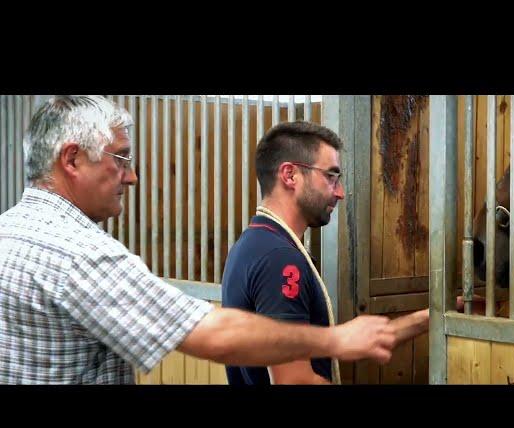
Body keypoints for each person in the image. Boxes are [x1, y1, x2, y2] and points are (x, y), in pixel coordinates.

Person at [0, 96, 397, 384]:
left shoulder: (9, 230)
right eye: (121, 159)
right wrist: (335, 339)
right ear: (71, 160)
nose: (132, 176)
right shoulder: (79, 254)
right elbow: (212, 334)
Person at [222, 121, 433, 385]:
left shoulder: (254, 243)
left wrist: (429, 317)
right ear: (290, 175)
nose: (341, 192)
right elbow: (294, 380)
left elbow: (332, 343)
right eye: (331, 177)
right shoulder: (279, 258)